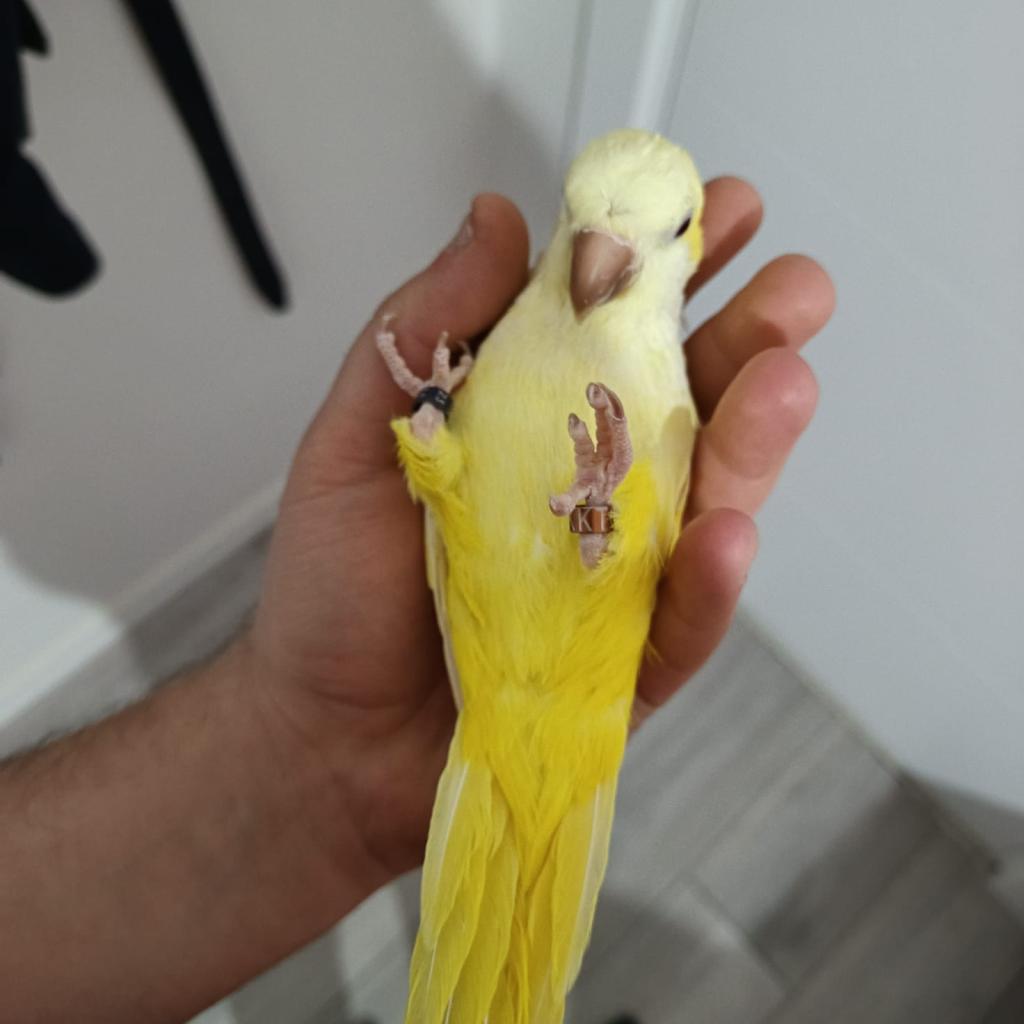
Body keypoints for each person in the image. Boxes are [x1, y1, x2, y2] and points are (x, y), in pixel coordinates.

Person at [0, 180, 834, 1023]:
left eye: (663, 230)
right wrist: (431, 417)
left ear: (687, 246)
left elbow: (608, 575)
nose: (603, 251)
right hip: (488, 677)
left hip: (568, 687)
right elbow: (448, 505)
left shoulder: (663, 407)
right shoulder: (501, 357)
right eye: (584, 221)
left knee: (514, 948)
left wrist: (593, 509)